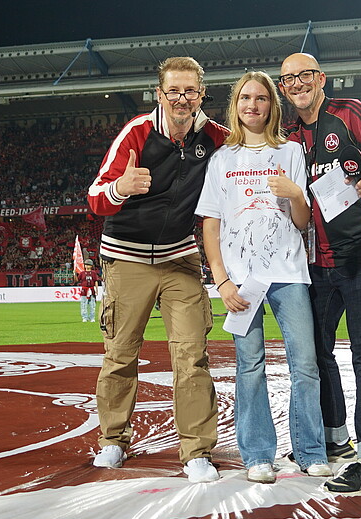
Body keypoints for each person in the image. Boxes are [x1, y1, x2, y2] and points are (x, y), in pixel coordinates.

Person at [87, 57, 228, 483]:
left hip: (181, 258)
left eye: (190, 91)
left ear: (202, 95)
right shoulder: (136, 132)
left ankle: (197, 452)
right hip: (126, 257)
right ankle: (113, 440)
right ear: (159, 93)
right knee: (120, 354)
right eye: (173, 91)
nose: (181, 99)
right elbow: (95, 197)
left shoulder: (217, 138)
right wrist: (120, 188)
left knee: (191, 356)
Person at [279, 52, 361, 495]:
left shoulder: (349, 113)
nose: (297, 83)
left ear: (321, 79)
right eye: (288, 79)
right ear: (283, 88)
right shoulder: (289, 137)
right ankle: (335, 440)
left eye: (304, 75)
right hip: (316, 260)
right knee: (315, 352)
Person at [196, 71, 330, 484]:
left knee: (305, 365)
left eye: (261, 98)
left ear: (272, 105)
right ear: (235, 106)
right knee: (249, 366)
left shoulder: (290, 152)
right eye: (244, 98)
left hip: (288, 272)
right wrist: (221, 281)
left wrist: (294, 194)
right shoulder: (222, 159)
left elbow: (304, 221)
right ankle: (257, 455)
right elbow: (211, 226)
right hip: (241, 279)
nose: (252, 105)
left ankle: (310, 451)